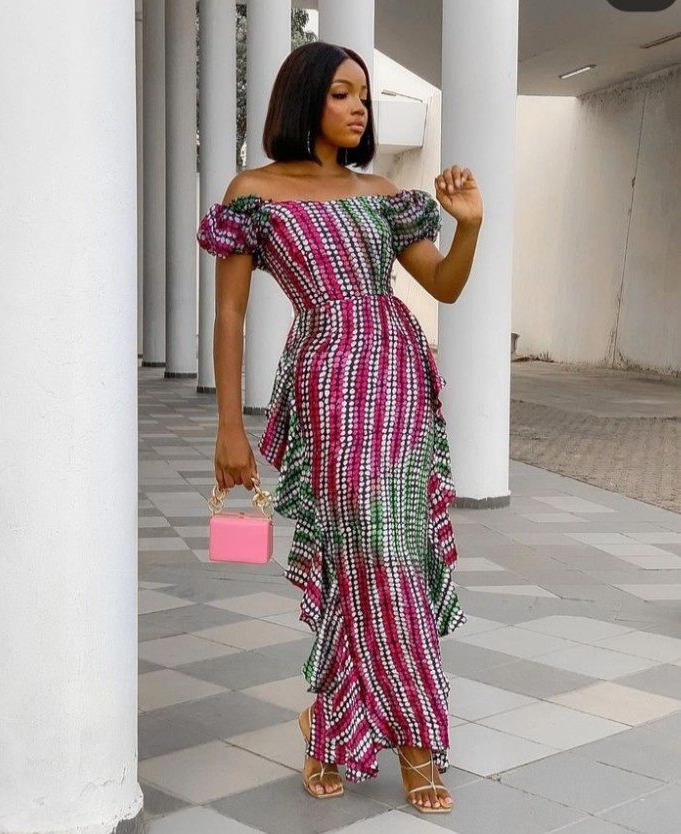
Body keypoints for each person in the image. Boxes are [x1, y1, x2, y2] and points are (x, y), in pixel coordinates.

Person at [197, 41, 483, 815]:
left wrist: (469, 228)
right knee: (363, 549)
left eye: (364, 95)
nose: (360, 108)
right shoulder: (253, 193)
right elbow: (229, 314)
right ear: (304, 99)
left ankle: (388, 736)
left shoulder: (382, 192)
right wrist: (229, 428)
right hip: (326, 377)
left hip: (398, 373)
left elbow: (443, 286)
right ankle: (371, 728)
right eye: (342, 93)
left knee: (393, 546)